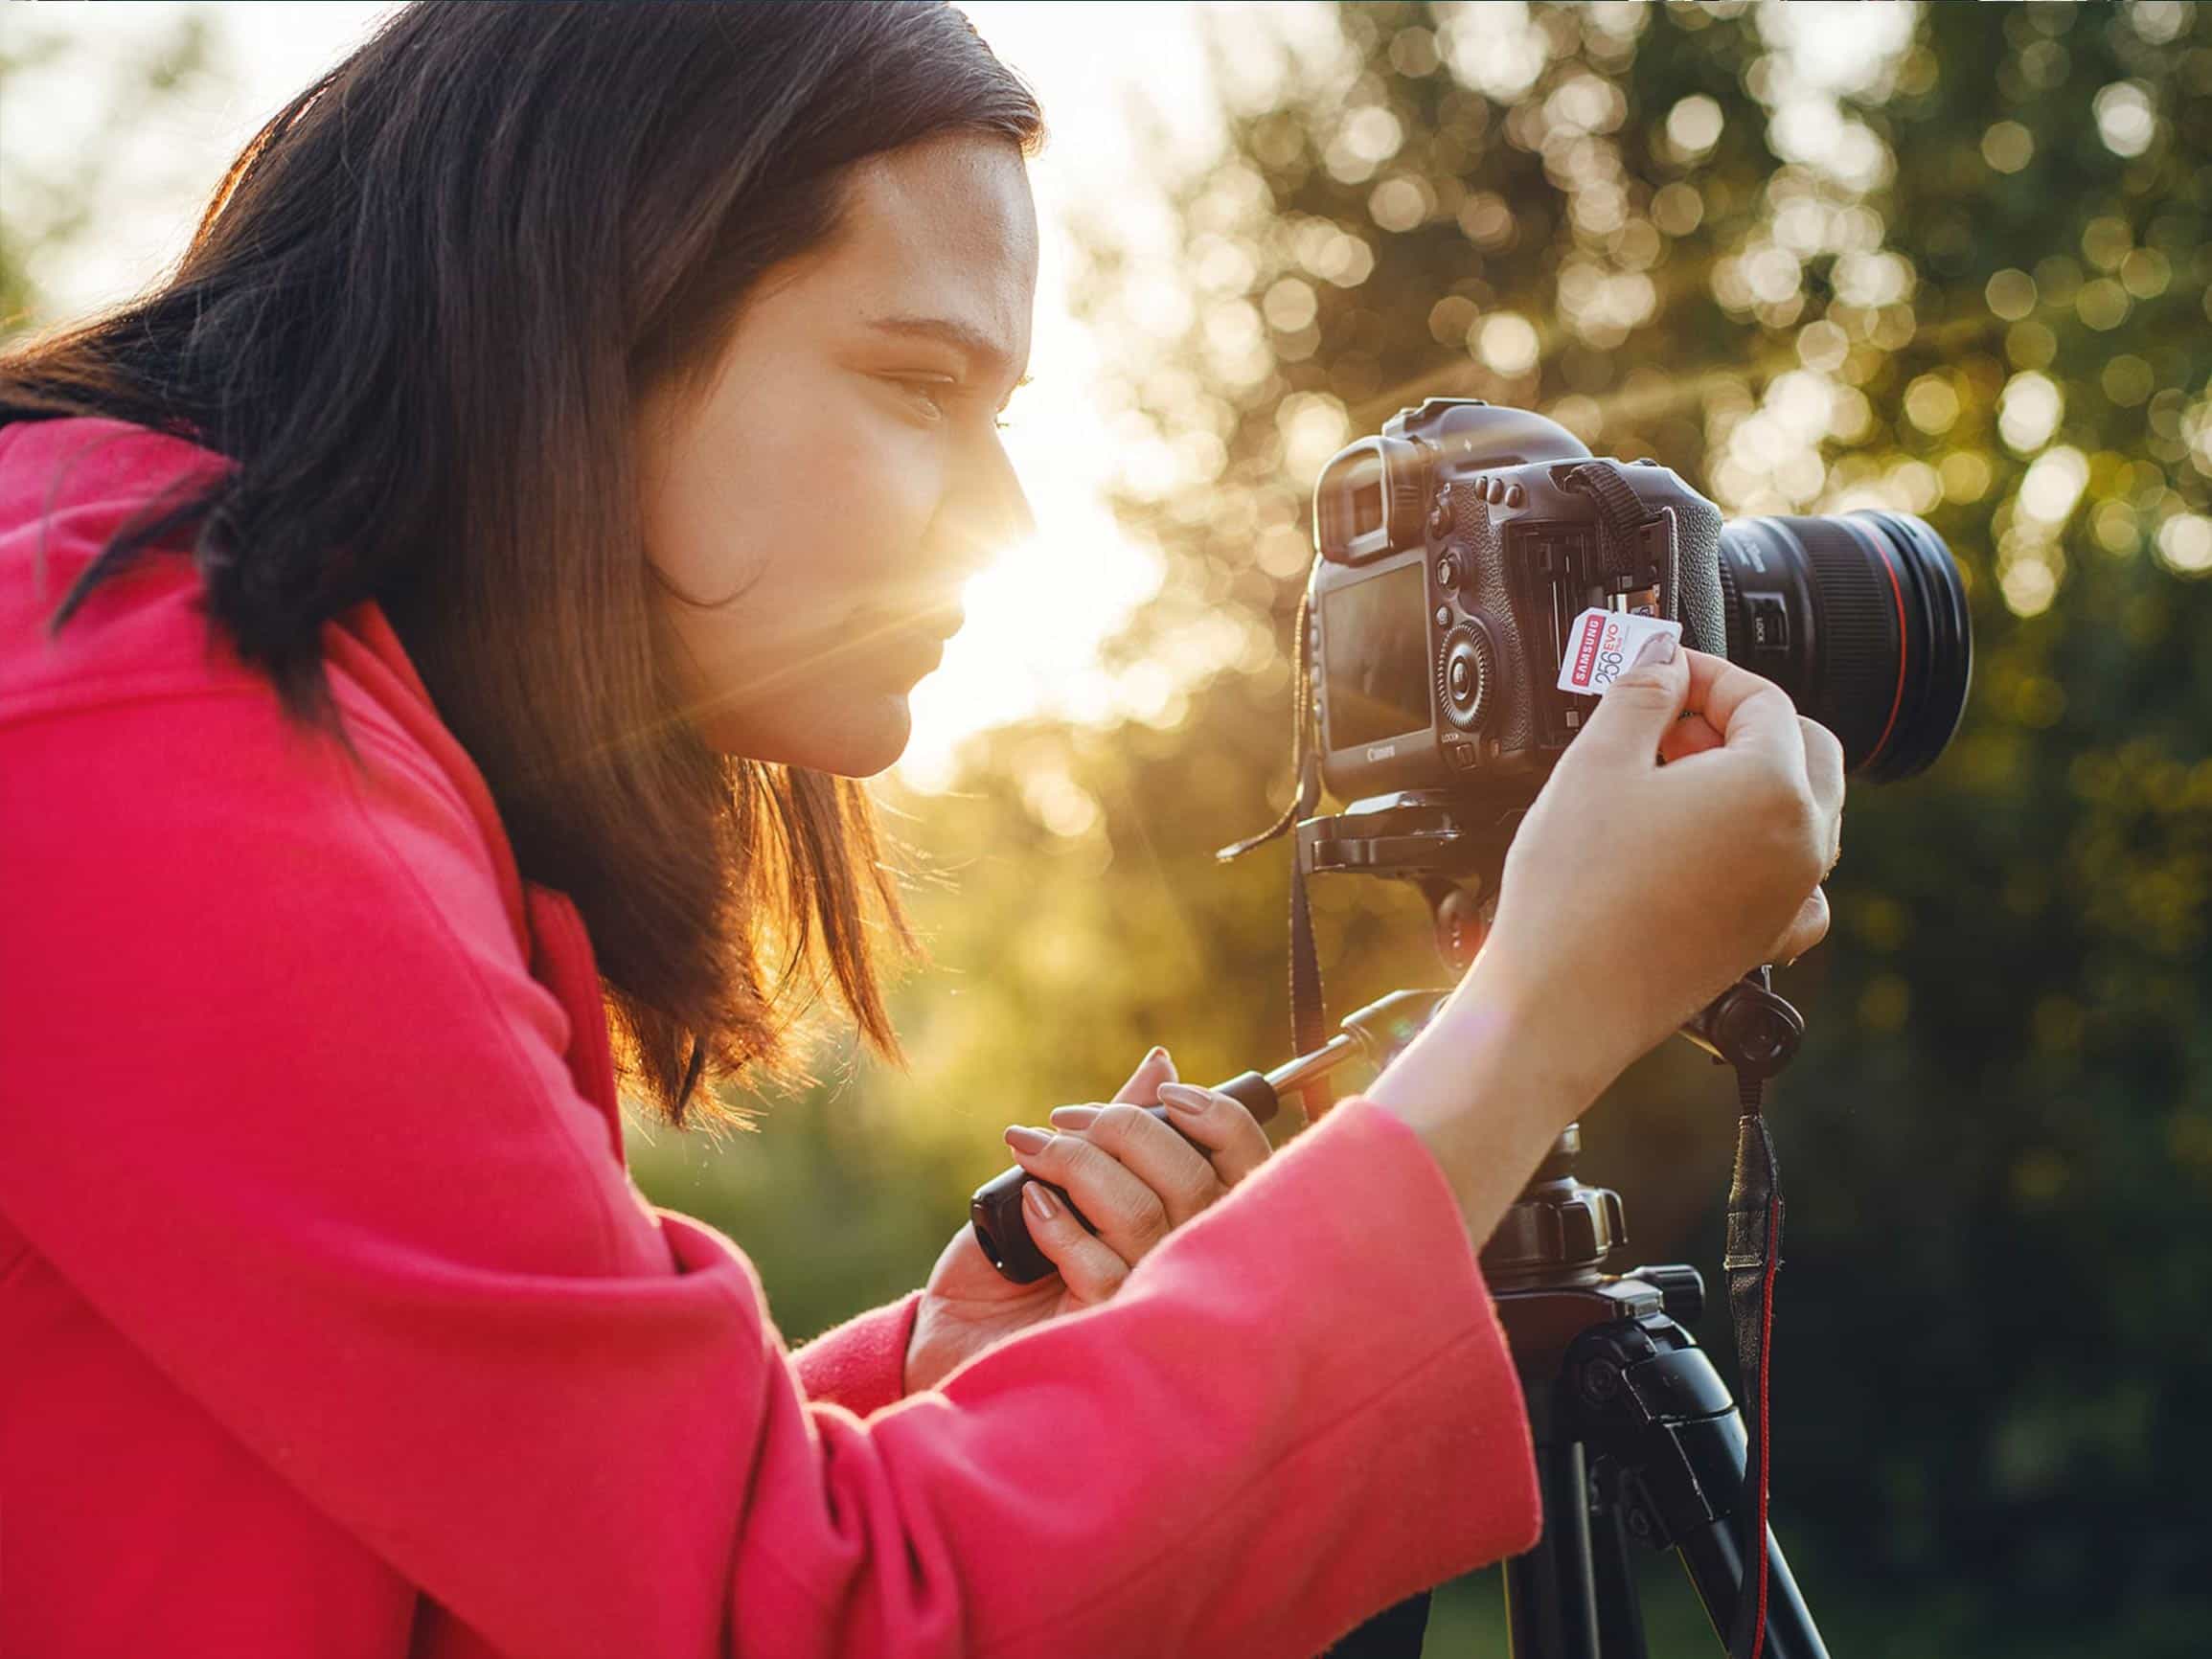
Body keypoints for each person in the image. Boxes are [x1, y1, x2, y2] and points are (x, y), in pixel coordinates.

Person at [0, 6, 1841, 1657]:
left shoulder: (182, 682)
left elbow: (469, 1577)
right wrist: (1529, 1021)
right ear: (577, 331)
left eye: (1006, 408)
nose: (1009, 518)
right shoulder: (152, 724)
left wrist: (924, 1400)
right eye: (913, 382)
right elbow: (802, 1625)